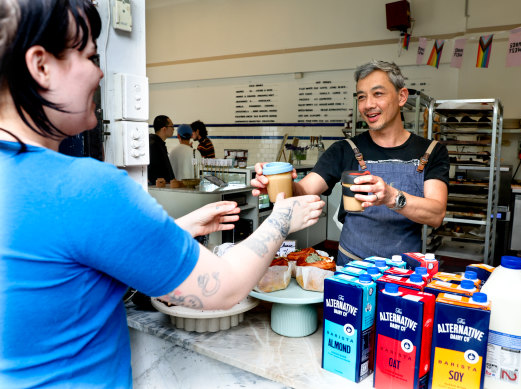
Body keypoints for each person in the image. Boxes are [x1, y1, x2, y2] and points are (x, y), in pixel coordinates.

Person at [0, 1, 325, 387]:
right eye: (90, 56)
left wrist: (179, 227)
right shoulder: (87, 188)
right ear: (41, 66)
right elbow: (224, 288)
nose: (100, 72)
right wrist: (282, 218)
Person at [252, 60, 449, 266]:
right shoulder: (345, 149)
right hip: (351, 269)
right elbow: (304, 190)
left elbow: (436, 214)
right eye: (361, 97)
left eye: (378, 94)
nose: (368, 105)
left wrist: (391, 197)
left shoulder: (431, 151)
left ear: (402, 97)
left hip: (405, 274)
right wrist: (279, 183)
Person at [148, 114, 175, 185]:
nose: (173, 129)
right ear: (164, 129)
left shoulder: (160, 144)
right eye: (171, 126)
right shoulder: (153, 145)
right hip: (158, 189)